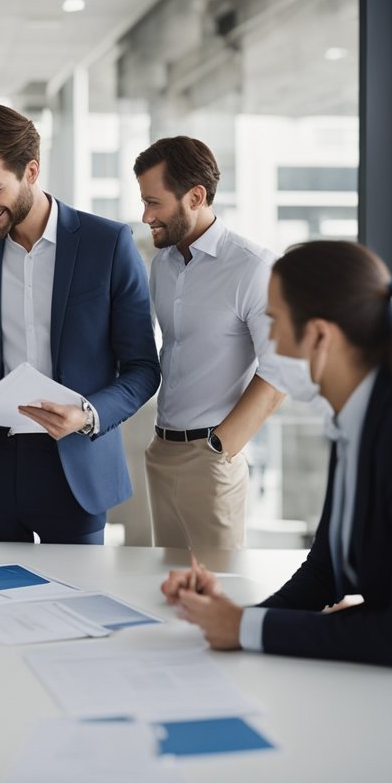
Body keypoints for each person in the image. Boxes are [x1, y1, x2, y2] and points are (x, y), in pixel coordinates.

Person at [162, 240, 392, 720]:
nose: (268, 341)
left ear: (318, 336)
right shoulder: (352, 424)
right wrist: (235, 618)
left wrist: (247, 629)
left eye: (274, 322)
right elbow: (324, 574)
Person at [0, 104, 160, 543]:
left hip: (76, 467)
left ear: (31, 171)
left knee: (76, 603)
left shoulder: (107, 244)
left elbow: (144, 369)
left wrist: (86, 415)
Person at [134, 136, 286, 549]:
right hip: (161, 450)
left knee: (217, 592)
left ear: (196, 197)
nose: (146, 215)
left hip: (212, 459)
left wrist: (221, 447)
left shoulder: (253, 268)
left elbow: (282, 369)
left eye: (154, 202)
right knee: (166, 587)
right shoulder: (161, 265)